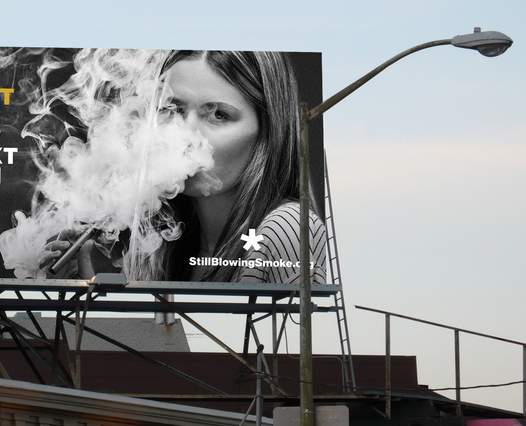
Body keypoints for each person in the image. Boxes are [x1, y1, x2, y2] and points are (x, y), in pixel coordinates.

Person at [41, 49, 327, 284]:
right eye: (173, 110)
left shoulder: (287, 226)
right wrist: (81, 291)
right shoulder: (159, 248)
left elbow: (291, 349)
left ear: (267, 132)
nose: (186, 135)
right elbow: (167, 349)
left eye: (218, 114)